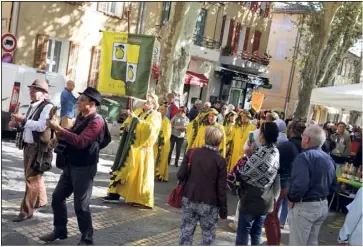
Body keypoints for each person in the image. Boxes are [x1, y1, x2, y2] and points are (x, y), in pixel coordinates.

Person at [40, 87, 107, 245]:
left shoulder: (97, 121)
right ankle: (60, 230)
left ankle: (87, 238)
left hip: (85, 167)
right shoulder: (81, 117)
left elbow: (82, 141)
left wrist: (58, 128)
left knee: (81, 204)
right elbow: (73, 133)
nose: (78, 101)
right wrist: (58, 138)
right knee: (57, 197)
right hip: (71, 165)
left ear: (91, 104)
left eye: (82, 100)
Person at [101, 93, 161, 209]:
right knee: (122, 169)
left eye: (148, 101)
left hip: (142, 150)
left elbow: (150, 130)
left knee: (134, 174)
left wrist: (136, 122)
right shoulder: (138, 111)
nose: (145, 103)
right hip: (129, 148)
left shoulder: (155, 115)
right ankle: (114, 193)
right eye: (144, 101)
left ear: (153, 103)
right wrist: (129, 124)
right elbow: (127, 123)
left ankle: (138, 197)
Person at [9, 79, 53, 222]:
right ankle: (41, 201)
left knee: (31, 179)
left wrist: (23, 120)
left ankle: (26, 211)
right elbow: (27, 125)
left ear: (44, 93)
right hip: (28, 146)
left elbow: (41, 127)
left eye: (35, 89)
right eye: (31, 89)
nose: (32, 91)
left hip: (39, 148)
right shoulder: (32, 106)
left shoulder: (48, 107)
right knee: (35, 177)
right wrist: (17, 124)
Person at [288, 125, 337, 246]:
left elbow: (299, 185)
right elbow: (334, 185)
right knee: (311, 242)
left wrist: (292, 198)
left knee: (297, 243)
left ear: (307, 139)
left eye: (303, 135)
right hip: (322, 204)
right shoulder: (329, 158)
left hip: (306, 206)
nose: (302, 138)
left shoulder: (304, 157)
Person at [178, 126, 228, 245]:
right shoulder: (220, 160)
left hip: (189, 197)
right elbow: (221, 188)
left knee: (186, 232)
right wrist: (223, 210)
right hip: (209, 204)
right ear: (219, 142)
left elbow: (180, 175)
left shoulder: (192, 152)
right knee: (207, 236)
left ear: (205, 138)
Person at [235, 122, 280, 246]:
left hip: (252, 199)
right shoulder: (275, 151)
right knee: (256, 232)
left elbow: (243, 172)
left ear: (262, 136)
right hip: (266, 200)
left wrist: (246, 157)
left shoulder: (261, 154)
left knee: (243, 233)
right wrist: (252, 152)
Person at [263, 121, 305, 245]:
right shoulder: (303, 146)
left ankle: (273, 243)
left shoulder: (287, 146)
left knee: (270, 215)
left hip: (281, 183)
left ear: (290, 130)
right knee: (274, 215)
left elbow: (274, 164)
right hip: (291, 183)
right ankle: (275, 241)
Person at [154, 104, 171, 182]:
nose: (160, 111)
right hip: (155, 142)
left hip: (163, 143)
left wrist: (160, 139)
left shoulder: (167, 121)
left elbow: (167, 134)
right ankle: (154, 174)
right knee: (154, 158)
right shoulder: (156, 119)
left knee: (162, 159)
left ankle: (160, 175)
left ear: (166, 111)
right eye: (159, 109)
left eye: (162, 110)